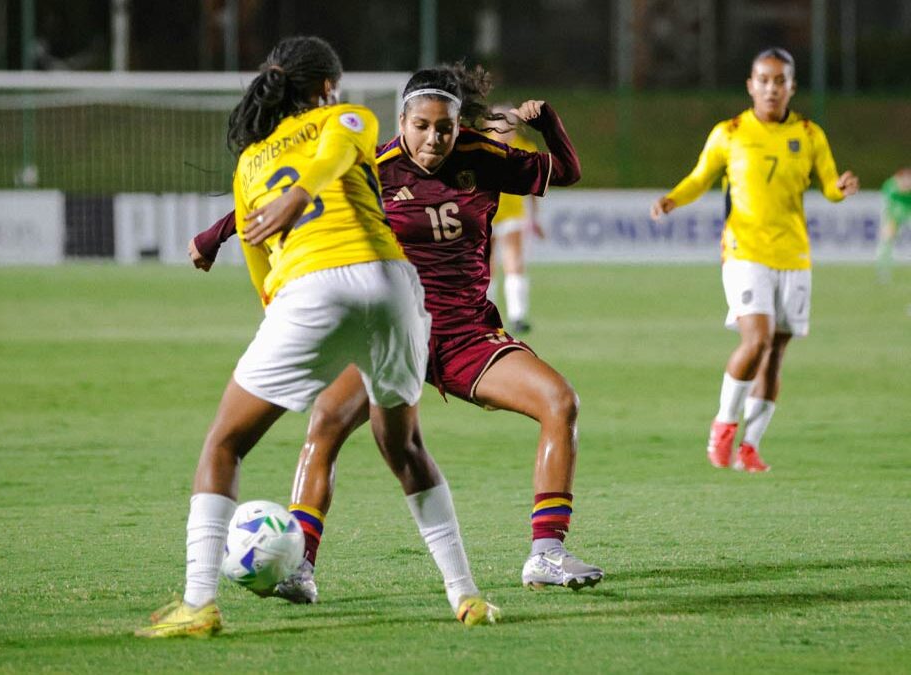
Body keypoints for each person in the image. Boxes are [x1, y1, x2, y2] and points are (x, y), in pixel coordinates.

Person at [190, 63, 602, 605]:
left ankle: (546, 553)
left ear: (458, 124)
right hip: (390, 327)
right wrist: (215, 235)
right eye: (422, 126)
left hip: (464, 335)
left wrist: (548, 122)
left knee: (559, 401)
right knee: (326, 426)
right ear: (402, 121)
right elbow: (289, 195)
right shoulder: (374, 167)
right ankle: (299, 566)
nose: (434, 139)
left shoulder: (482, 156)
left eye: (445, 128)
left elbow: (565, 171)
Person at [137, 37, 498, 639]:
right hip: (393, 287)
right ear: (328, 87)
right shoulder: (349, 118)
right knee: (404, 447)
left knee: (225, 443)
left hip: (311, 289)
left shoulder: (251, 162)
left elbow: (260, 264)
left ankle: (198, 603)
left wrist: (289, 303)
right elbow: (333, 154)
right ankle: (466, 595)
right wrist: (305, 193)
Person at [651, 48, 859, 472]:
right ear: (750, 85)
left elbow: (828, 185)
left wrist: (839, 189)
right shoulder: (729, 132)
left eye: (780, 80)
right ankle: (724, 423)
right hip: (744, 250)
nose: (771, 88)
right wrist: (673, 199)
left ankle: (750, 446)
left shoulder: (809, 134)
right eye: (763, 80)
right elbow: (700, 177)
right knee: (757, 339)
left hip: (794, 254)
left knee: (776, 352)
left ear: (792, 87)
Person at [484, 105, 543, 334]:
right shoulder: (480, 148)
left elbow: (532, 188)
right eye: (499, 123)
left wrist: (534, 217)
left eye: (509, 123)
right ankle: (486, 316)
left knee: (514, 262)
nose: (504, 128)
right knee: (485, 267)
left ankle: (517, 315)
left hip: (512, 214)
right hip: (485, 215)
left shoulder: (525, 149)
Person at [876, 167, 911, 282]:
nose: (907, 182)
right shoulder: (890, 185)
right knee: (886, 241)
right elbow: (887, 202)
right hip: (893, 215)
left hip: (908, 213)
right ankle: (883, 271)